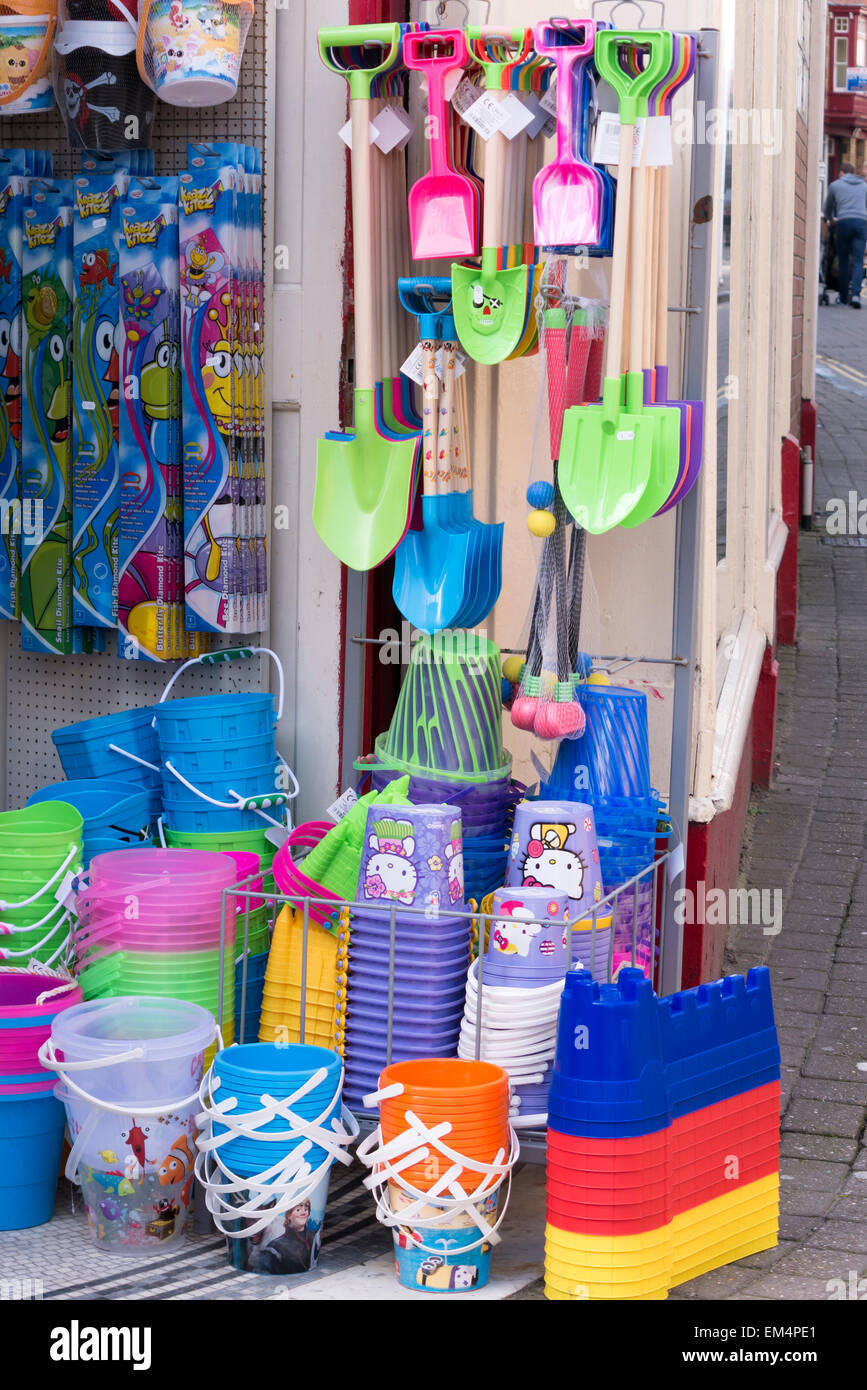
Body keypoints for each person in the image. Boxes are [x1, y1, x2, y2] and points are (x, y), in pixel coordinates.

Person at [824, 163, 867, 307]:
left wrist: (830, 220)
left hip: (843, 223)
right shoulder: (864, 186)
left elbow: (828, 207)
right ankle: (855, 295)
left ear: (841, 172)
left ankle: (843, 297)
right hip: (861, 223)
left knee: (843, 260)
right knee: (858, 261)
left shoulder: (835, 185)